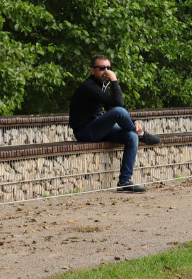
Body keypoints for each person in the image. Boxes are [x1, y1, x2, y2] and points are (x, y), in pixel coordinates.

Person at [69, 55, 161, 193]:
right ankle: (142, 134)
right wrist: (114, 80)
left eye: (108, 68)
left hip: (99, 128)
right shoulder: (89, 87)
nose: (106, 71)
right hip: (85, 132)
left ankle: (124, 182)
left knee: (131, 137)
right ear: (92, 70)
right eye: (101, 68)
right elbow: (119, 105)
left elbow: (113, 107)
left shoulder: (102, 85)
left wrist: (133, 121)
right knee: (119, 111)